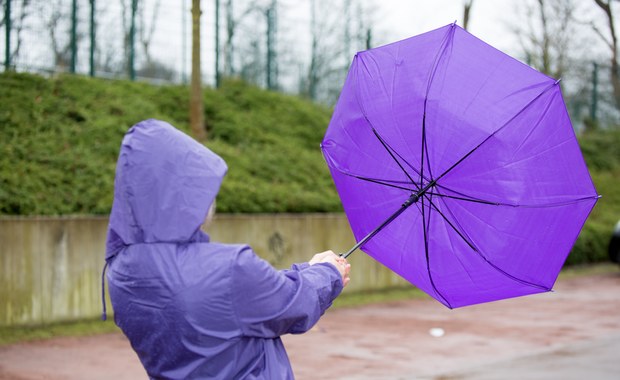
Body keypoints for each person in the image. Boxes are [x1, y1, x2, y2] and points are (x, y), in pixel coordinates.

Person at [103, 119, 350, 379]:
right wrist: (328, 273)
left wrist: (307, 269)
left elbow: (240, 296)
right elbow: (292, 303)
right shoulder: (230, 268)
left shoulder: (120, 271)